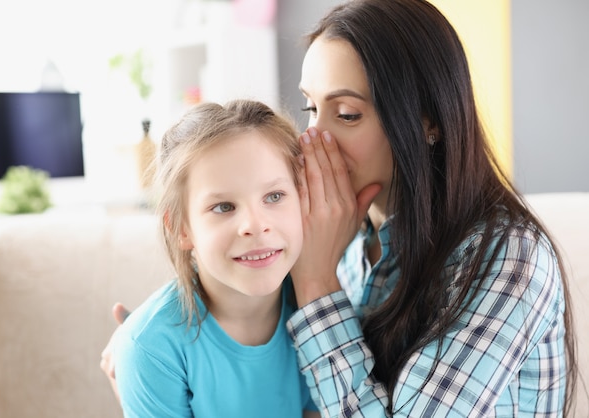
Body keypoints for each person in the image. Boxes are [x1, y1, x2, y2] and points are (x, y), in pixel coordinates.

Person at [102, 0, 578, 416]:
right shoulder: (343, 232)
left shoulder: (510, 256)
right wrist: (144, 345)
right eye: (311, 109)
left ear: (428, 122)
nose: (315, 139)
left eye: (347, 114)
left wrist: (315, 283)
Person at [108, 99, 318, 417]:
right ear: (181, 228)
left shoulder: (319, 314)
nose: (255, 225)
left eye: (274, 196)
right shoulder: (151, 349)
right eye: (223, 207)